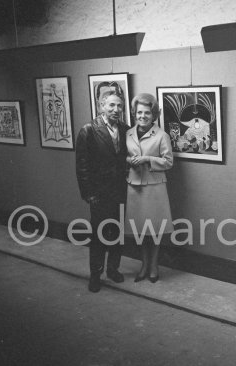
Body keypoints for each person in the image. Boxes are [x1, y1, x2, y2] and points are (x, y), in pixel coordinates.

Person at [76, 91, 129, 293]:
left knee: (117, 233)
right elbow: (81, 166)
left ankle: (113, 269)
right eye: (112, 106)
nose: (116, 110)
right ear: (101, 106)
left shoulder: (125, 129)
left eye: (119, 106)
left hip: (120, 192)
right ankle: (95, 275)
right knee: (99, 236)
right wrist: (88, 194)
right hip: (99, 195)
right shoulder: (88, 130)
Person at [125, 93, 174, 283]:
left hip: (154, 189)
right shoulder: (128, 133)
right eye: (139, 112)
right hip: (134, 187)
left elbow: (169, 162)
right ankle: (143, 265)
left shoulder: (162, 135)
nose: (142, 116)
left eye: (147, 113)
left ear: (154, 115)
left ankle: (154, 266)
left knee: (153, 231)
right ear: (134, 113)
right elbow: (123, 156)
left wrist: (147, 160)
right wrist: (130, 160)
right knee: (139, 231)